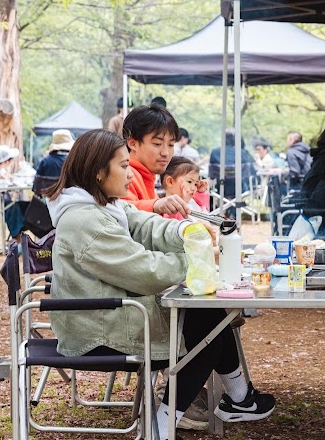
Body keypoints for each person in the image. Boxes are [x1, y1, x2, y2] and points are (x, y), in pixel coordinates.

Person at [45, 130, 275, 438]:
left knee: (209, 318)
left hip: (110, 314)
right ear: (99, 172)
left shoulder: (102, 205)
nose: (130, 174)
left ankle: (237, 399)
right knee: (206, 331)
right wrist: (197, 261)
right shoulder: (86, 220)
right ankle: (162, 427)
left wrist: (184, 231)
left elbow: (145, 225)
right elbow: (143, 271)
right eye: (124, 166)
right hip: (96, 329)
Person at [122, 104, 190, 217]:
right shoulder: (124, 175)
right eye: (157, 144)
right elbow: (119, 211)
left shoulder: (147, 177)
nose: (166, 153)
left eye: (171, 145)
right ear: (133, 143)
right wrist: (155, 205)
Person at [208, 130, 257, 199]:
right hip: (239, 188)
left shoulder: (215, 152)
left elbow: (211, 173)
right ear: (235, 140)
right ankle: (236, 206)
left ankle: (226, 207)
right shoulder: (241, 152)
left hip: (221, 188)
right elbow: (252, 171)